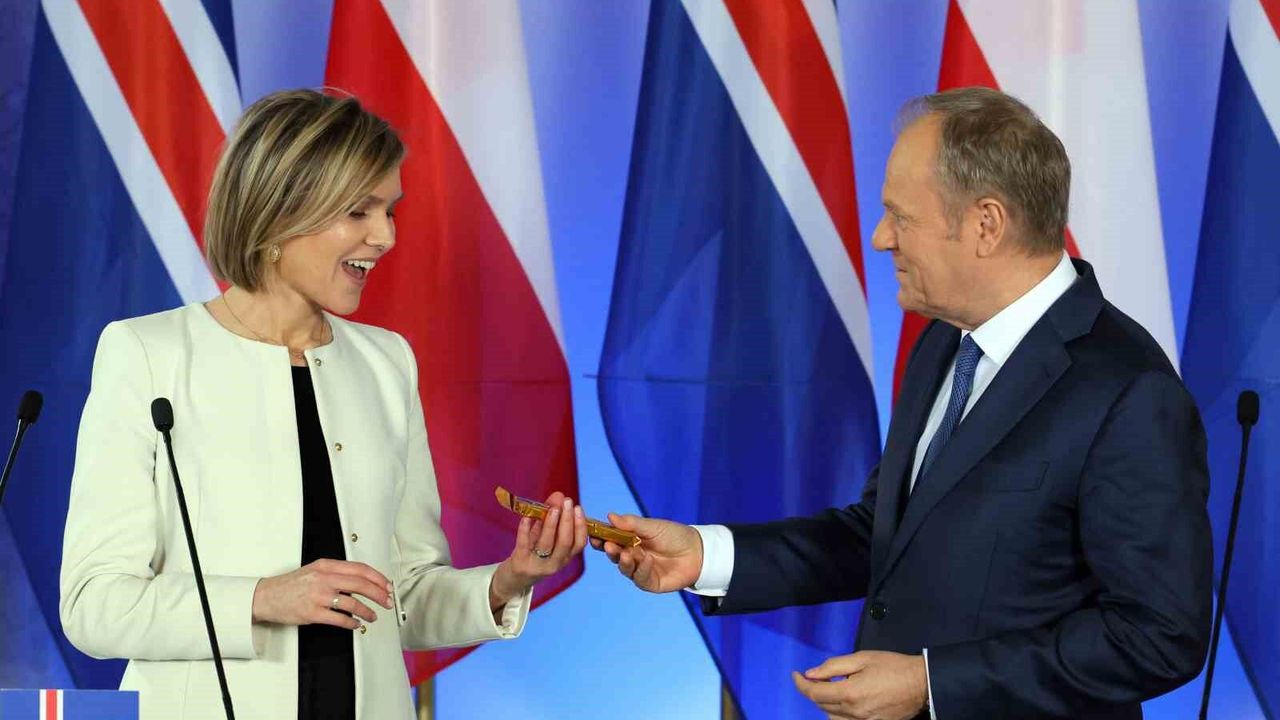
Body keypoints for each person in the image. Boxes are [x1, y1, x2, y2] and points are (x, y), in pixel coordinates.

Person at [597, 87, 1212, 720]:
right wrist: (706, 556)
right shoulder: (945, 341)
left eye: (901, 216)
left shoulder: (1127, 390)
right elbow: (888, 537)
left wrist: (930, 683)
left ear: (986, 225)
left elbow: (1158, 634)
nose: (880, 237)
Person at [59, 89, 587, 720]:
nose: (385, 237)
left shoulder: (387, 362)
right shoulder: (148, 353)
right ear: (279, 212)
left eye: (390, 211)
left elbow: (402, 596)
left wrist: (507, 582)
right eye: (359, 211)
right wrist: (263, 597)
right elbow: (94, 605)